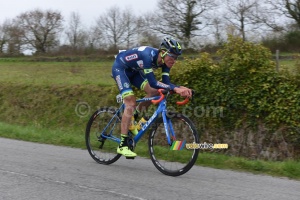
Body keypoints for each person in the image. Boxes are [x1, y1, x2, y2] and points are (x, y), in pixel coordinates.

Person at [112, 36, 193, 158]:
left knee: (154, 92)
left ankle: (133, 117)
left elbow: (166, 83)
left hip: (134, 72)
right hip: (120, 68)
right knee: (131, 103)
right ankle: (122, 145)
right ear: (163, 52)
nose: (174, 60)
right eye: (172, 56)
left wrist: (180, 88)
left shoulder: (165, 63)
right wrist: (176, 89)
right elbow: (154, 82)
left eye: (177, 57)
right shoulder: (147, 55)